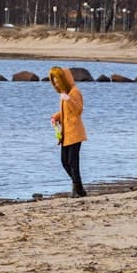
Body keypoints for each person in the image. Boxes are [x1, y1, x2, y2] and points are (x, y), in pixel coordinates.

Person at [49, 66, 87, 198]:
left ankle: (79, 190)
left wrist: (69, 100)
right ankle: (78, 187)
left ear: (64, 79)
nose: (56, 83)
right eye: (54, 81)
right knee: (64, 162)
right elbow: (65, 112)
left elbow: (78, 110)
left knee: (72, 162)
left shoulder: (75, 92)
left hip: (75, 133)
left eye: (57, 80)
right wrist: (55, 117)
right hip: (66, 134)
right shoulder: (64, 93)